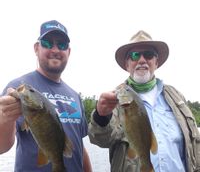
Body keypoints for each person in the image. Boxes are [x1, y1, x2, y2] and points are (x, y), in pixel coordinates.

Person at [88, 30, 200, 172]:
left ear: (156, 62)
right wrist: (101, 116)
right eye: (134, 55)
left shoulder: (177, 97)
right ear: (127, 64)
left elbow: (194, 143)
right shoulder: (114, 100)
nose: (142, 60)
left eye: (148, 54)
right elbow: (100, 140)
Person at [0, 20, 93, 172]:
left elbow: (79, 147)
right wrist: (5, 118)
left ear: (68, 52)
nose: (55, 49)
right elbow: (1, 147)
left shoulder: (75, 96)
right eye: (48, 43)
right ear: (36, 48)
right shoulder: (17, 87)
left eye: (61, 45)